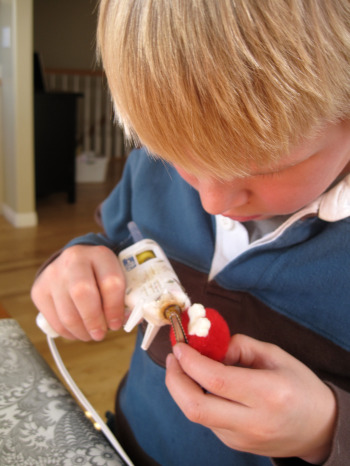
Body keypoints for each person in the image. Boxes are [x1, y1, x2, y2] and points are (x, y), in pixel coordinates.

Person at [31, 1, 350, 464]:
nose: (212, 203)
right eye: (176, 157)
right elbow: (113, 244)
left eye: (263, 169)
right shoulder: (147, 171)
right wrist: (77, 262)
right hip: (131, 441)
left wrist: (328, 429)